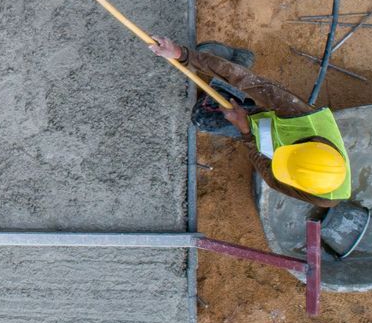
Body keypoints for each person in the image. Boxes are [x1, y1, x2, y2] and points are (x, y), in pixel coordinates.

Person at [148, 37, 353, 209]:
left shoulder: (321, 195)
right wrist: (182, 54)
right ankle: (240, 59)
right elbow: (245, 80)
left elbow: (272, 178)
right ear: (303, 145)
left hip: (258, 133)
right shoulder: (298, 113)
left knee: (202, 120)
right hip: (267, 120)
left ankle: (230, 96)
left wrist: (245, 132)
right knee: (205, 114)